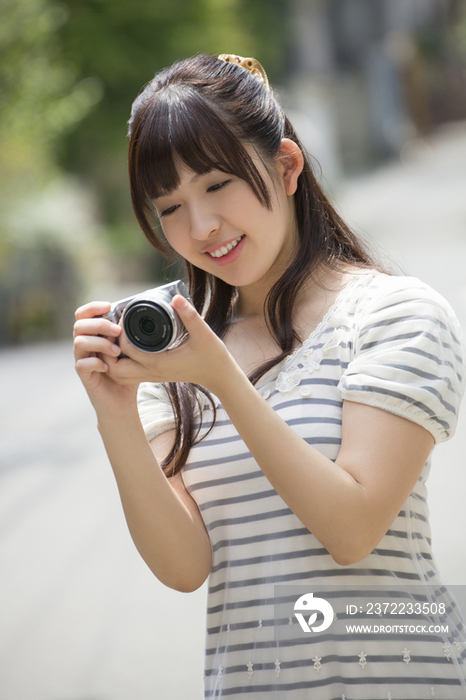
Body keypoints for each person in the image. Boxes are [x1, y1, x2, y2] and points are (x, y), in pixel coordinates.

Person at [73, 53, 466, 699]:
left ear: (286, 167)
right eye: (169, 206)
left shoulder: (396, 314)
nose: (201, 228)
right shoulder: (175, 350)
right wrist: (114, 410)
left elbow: (352, 530)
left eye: (218, 185)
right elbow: (184, 566)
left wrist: (224, 380)